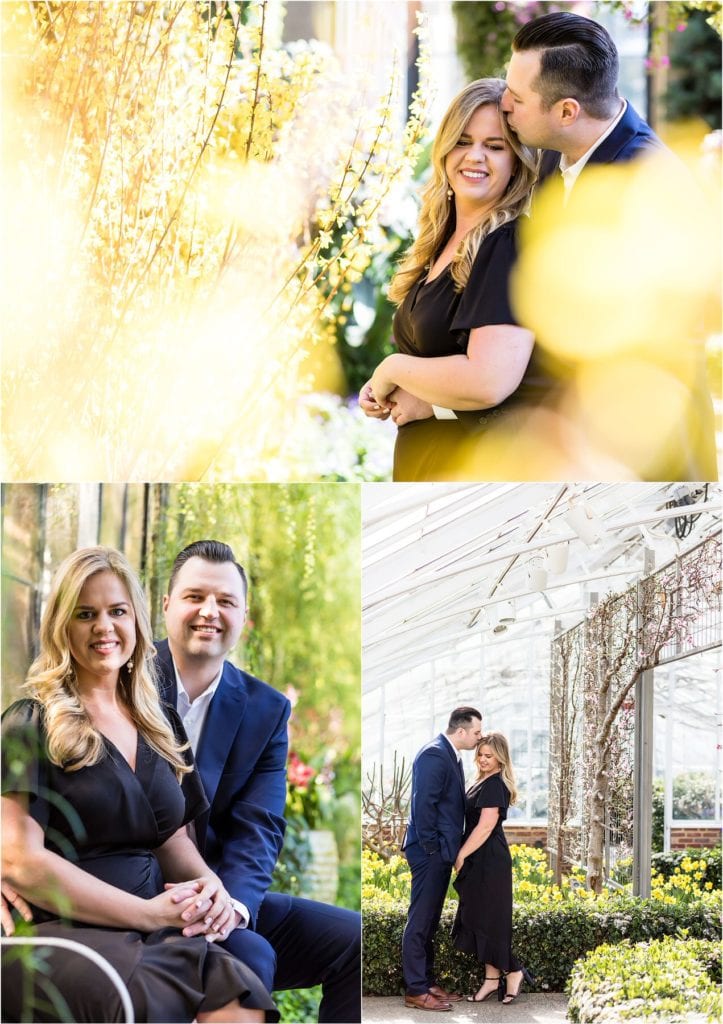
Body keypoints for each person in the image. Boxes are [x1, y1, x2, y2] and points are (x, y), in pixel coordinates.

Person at [1, 547, 277, 1024]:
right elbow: (19, 859)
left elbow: (172, 838)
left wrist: (209, 888)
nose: (104, 627)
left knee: (239, 1000)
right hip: (64, 926)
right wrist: (147, 914)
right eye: (85, 614)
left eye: (118, 612)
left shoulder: (159, 723)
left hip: (156, 925)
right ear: (62, 626)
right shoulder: (30, 722)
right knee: (146, 994)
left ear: (138, 622)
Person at [501, 10, 717, 480]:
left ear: (566, 112)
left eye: (516, 97)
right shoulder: (557, 156)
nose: (503, 105)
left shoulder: (646, 183)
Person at [154, 540, 361, 1024]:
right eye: (195, 597)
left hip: (224, 895)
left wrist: (234, 908)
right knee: (251, 958)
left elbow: (260, 825)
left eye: (226, 601)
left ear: (243, 617)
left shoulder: (266, 709)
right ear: (166, 606)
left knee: (354, 939)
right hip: (138, 889)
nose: (210, 612)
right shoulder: (124, 681)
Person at [359, 78, 539, 481]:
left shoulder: (507, 243)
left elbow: (490, 381)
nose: (475, 156)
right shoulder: (439, 240)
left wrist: (392, 370)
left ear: (517, 161)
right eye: (463, 141)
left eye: (494, 146)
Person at [401, 707, 482, 1012]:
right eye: (476, 732)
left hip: (439, 851)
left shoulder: (449, 755)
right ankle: (416, 990)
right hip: (429, 852)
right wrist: (433, 849)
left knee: (430, 918)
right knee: (420, 920)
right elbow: (424, 806)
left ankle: (427, 982)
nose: (479, 738)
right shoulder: (435, 754)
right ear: (460, 731)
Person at [451, 732, 532, 1005]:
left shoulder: (495, 785)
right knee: (478, 919)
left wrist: (461, 854)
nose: (483, 760)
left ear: (501, 758)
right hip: (479, 859)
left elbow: (485, 826)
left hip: (490, 861)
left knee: (488, 921)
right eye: (480, 755)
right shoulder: (480, 781)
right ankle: (492, 979)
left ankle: (514, 971)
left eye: (489, 756)